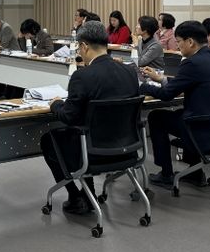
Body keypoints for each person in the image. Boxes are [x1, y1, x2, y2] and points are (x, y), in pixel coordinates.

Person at [41, 21, 139, 214]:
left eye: (79, 47)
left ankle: (76, 196)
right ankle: (88, 193)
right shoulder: (129, 71)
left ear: (84, 46)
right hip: (128, 149)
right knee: (88, 130)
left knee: (49, 140)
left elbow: (68, 117)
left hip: (93, 152)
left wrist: (55, 104)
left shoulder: (82, 76)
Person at [139, 21, 210, 188]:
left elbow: (167, 95)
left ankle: (166, 174)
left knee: (156, 117)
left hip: (202, 127)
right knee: (182, 113)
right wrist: (161, 79)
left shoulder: (192, 62)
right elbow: (186, 82)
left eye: (179, 42)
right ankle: (194, 173)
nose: (177, 46)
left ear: (190, 42)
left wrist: (143, 86)